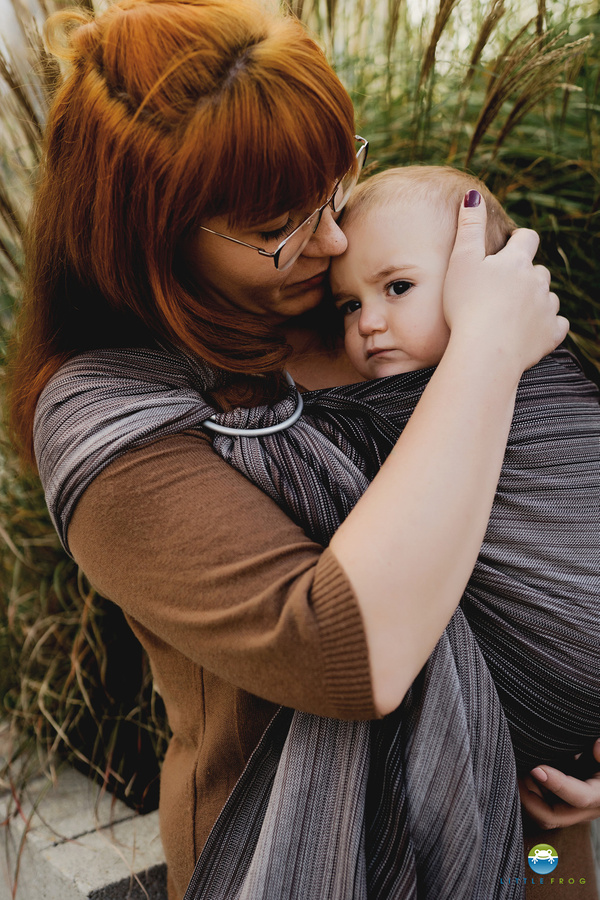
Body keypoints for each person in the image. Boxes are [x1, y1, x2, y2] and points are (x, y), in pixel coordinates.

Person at [6, 0, 600, 897]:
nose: (333, 235)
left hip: (532, 826)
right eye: (282, 222)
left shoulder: (363, 282)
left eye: (336, 181)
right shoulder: (109, 420)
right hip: (313, 861)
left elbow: (562, 491)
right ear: (154, 241)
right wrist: (484, 348)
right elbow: (343, 649)